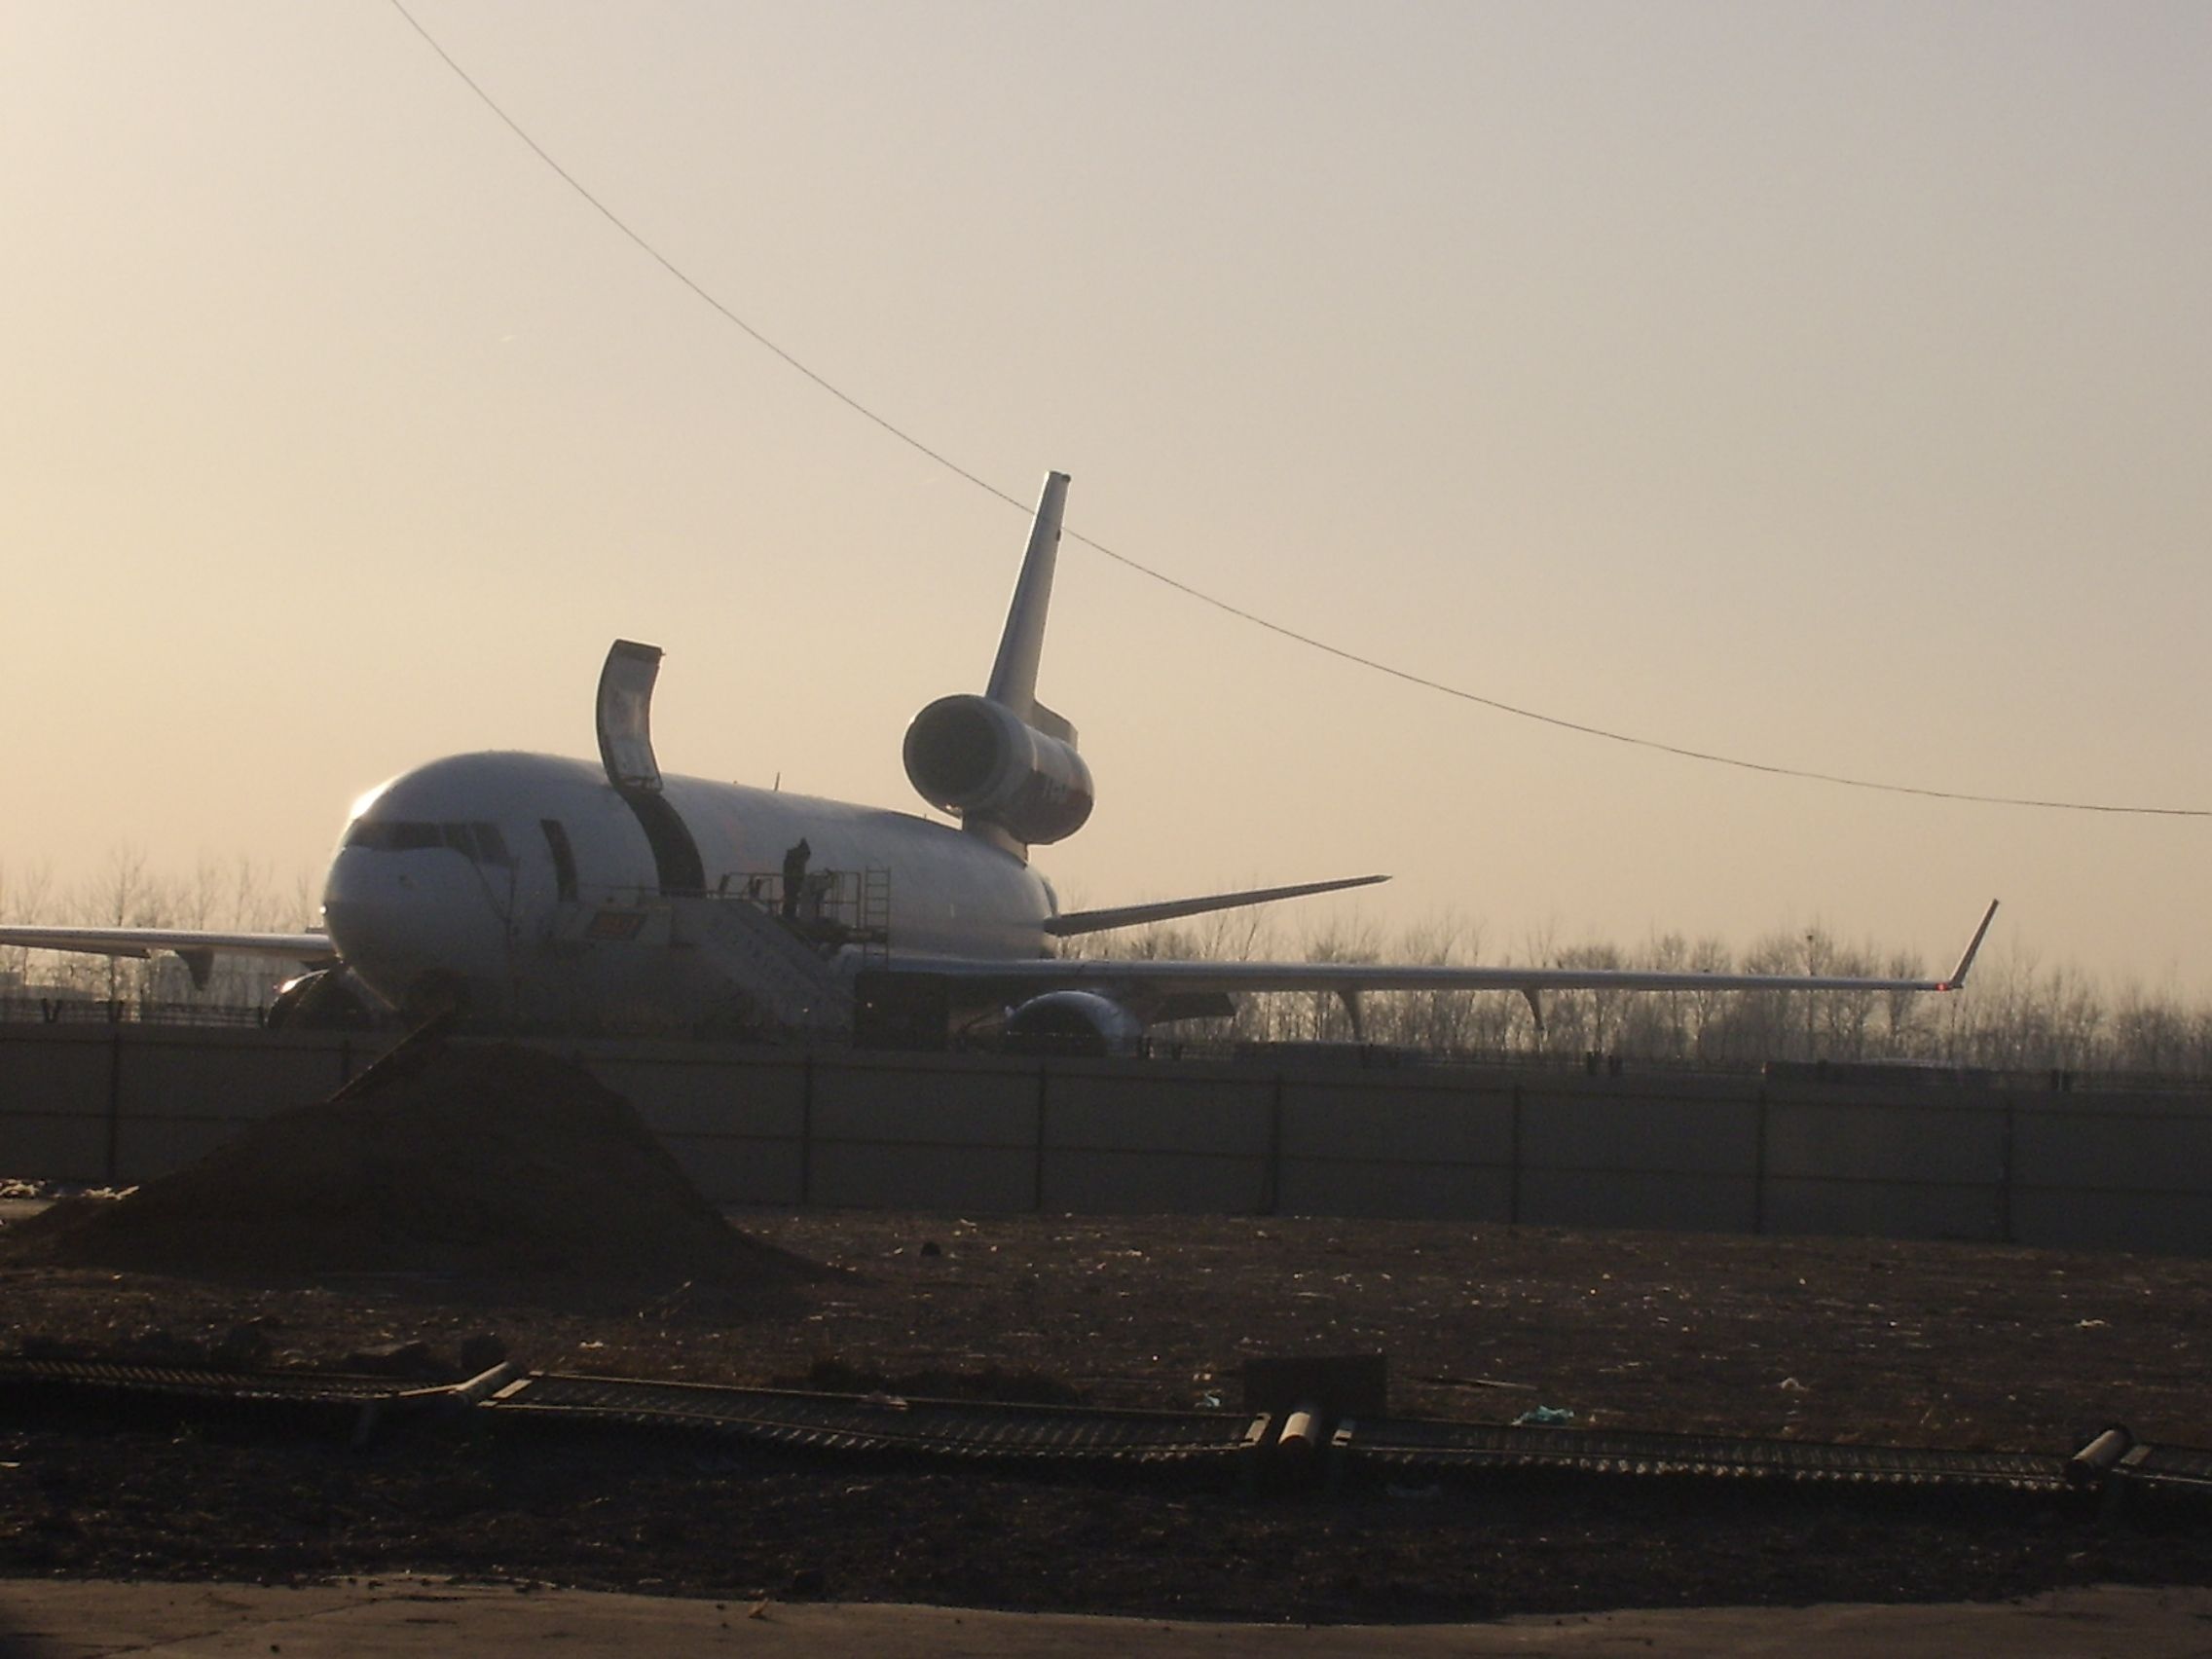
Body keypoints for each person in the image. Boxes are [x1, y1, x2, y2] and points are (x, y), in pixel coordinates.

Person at [781, 839, 810, 920]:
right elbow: (798, 870)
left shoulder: (792, 857)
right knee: (791, 899)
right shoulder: (797, 858)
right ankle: (789, 916)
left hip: (791, 882)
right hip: (792, 882)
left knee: (790, 898)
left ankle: (788, 915)